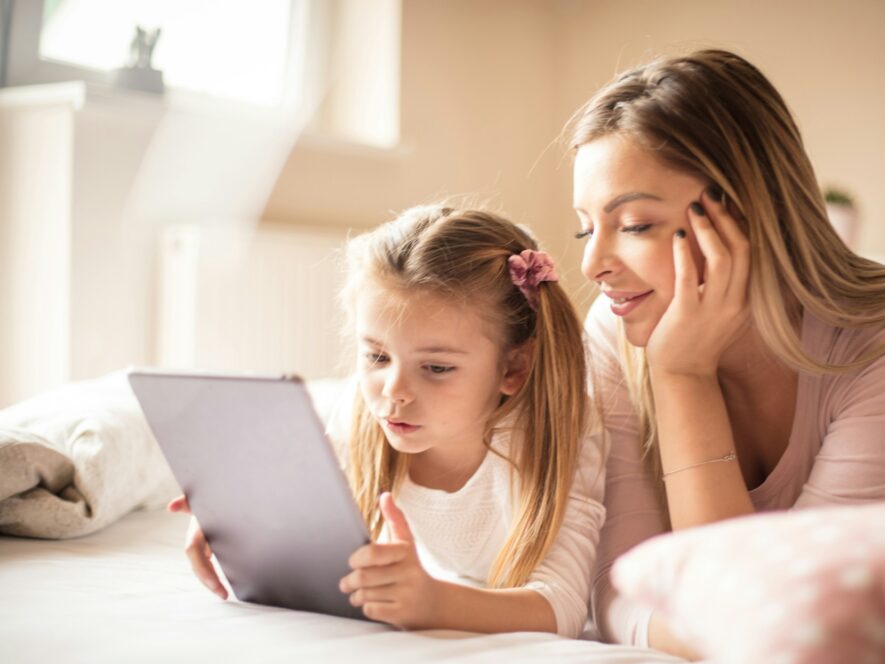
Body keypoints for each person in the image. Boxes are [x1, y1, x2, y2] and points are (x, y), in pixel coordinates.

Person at [567, 49, 885, 657]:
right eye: (584, 227)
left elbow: (777, 615)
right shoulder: (617, 326)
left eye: (634, 225)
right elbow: (614, 584)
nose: (592, 264)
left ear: (745, 213)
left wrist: (681, 376)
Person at [169, 204, 606, 637]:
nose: (393, 390)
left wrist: (433, 603)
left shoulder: (559, 430)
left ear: (513, 368)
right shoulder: (362, 414)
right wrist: (240, 517)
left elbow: (562, 606)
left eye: (436, 368)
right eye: (377, 356)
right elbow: (306, 525)